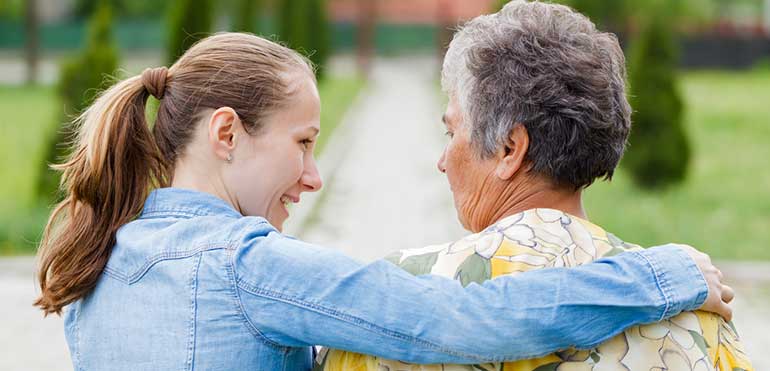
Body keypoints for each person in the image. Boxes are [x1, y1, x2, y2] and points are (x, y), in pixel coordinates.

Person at [34, 33, 731, 370]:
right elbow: (463, 319)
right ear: (226, 132)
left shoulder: (91, 264)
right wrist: (662, 274)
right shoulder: (249, 266)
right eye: (303, 142)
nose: (313, 176)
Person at [316, 1, 753, 370]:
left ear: (510, 148)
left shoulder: (393, 304)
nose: (442, 162)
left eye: (452, 133)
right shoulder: (698, 310)